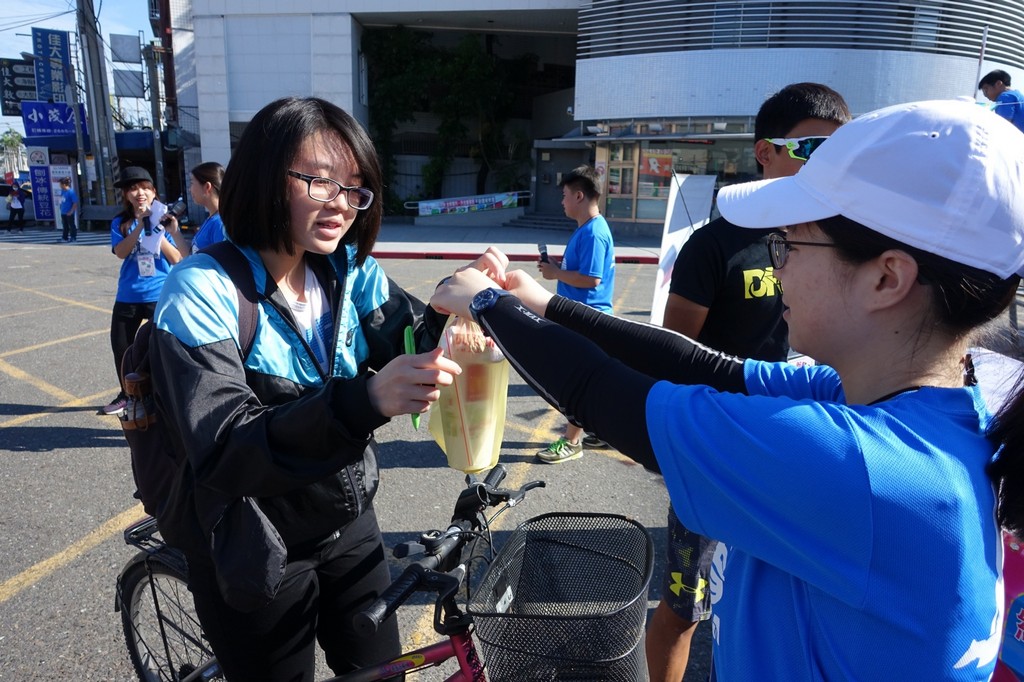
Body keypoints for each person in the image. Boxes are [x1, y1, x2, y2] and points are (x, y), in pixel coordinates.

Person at [431, 98, 1024, 680]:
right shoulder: (892, 400)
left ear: (887, 277)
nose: (778, 265)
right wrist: (538, 302)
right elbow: (706, 367)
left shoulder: (866, 467)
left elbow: (604, 395)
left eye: (789, 241)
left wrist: (487, 304)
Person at [148, 96, 454, 681]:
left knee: (382, 673)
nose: (342, 204)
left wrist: (449, 310)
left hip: (352, 526)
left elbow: (405, 340)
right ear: (265, 175)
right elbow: (226, 446)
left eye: (355, 186)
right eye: (319, 181)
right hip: (257, 542)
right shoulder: (202, 288)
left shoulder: (345, 269)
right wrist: (362, 401)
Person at [652, 82, 851, 682]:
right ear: (764, 152)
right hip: (722, 450)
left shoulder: (837, 237)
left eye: (842, 151)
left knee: (778, 604)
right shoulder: (713, 247)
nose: (830, 166)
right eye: (812, 148)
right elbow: (676, 355)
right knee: (688, 603)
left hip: (807, 445)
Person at [535, 164, 615, 464]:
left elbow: (592, 279)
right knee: (591, 380)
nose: (562, 201)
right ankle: (601, 431)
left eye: (565, 195)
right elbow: (581, 272)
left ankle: (571, 441)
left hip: (586, 317)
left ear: (579, 195)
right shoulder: (588, 228)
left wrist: (557, 271)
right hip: (581, 315)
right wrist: (558, 267)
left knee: (575, 380)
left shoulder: (594, 232)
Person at [100, 166, 186, 416]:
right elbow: (121, 252)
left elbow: (177, 258)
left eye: (145, 188)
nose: (140, 193)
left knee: (162, 348)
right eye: (133, 189)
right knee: (122, 347)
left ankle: (161, 396)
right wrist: (139, 225)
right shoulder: (121, 222)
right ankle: (126, 394)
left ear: (153, 192)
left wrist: (156, 230)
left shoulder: (164, 220)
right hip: (128, 295)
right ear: (126, 195)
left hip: (159, 294)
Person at [187, 161, 227, 254]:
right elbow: (193, 259)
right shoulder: (211, 218)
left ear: (207, 187)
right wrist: (174, 232)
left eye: (192, 183)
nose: (190, 189)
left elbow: (223, 264)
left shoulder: (219, 223)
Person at [979, 69, 1024, 133]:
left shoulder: (1005, 97)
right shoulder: (1017, 95)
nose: (985, 95)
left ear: (998, 84)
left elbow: (1002, 125)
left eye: (986, 90)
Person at [59, 177, 79, 243]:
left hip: (69, 212)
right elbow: (61, 200)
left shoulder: (71, 192)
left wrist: (71, 211)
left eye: (60, 184)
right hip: (63, 211)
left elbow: (75, 202)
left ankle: (73, 237)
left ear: (64, 184)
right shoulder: (62, 191)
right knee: (65, 226)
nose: (60, 185)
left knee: (71, 225)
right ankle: (65, 238)